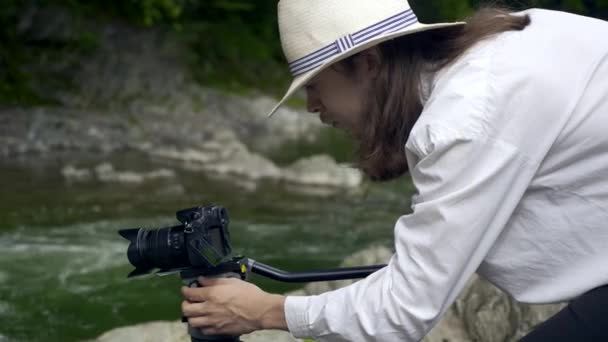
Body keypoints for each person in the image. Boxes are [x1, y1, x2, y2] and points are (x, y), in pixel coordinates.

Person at [180, 0, 608, 340]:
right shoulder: (495, 53)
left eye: (314, 85)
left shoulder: (466, 118)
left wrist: (263, 310)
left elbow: (405, 309)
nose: (311, 106)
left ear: (368, 63)